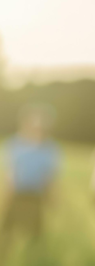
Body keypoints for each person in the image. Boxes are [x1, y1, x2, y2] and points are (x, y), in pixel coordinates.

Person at [0, 103, 60, 247]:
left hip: (36, 195)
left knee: (35, 232)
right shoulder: (14, 144)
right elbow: (9, 172)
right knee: (7, 230)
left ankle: (33, 260)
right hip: (16, 193)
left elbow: (49, 176)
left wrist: (53, 197)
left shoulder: (49, 148)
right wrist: (6, 195)